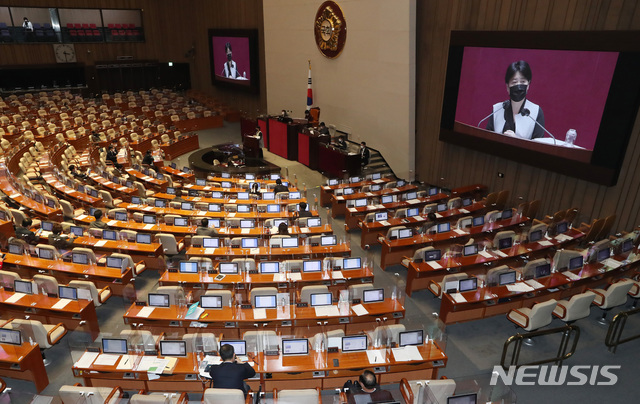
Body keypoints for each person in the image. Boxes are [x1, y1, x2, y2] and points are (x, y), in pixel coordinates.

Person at [486, 60, 545, 140]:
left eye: (523, 82)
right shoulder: (497, 109)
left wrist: (517, 141)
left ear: (528, 85)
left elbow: (539, 147)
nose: (518, 86)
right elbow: (487, 139)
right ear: (507, 87)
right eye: (514, 82)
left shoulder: (536, 112)